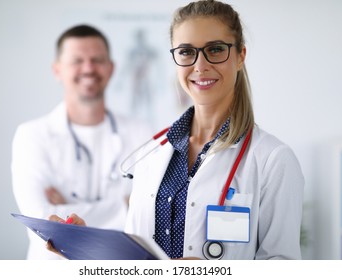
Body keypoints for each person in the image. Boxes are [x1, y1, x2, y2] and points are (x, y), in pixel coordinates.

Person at [49, 0, 304, 260]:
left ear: (240, 56)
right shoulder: (151, 155)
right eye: (186, 52)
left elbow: (283, 265)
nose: (200, 65)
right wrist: (88, 247)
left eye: (215, 49)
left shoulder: (273, 159)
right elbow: (135, 258)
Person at [11, 24, 152, 259]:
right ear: (57, 70)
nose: (88, 68)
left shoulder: (143, 134)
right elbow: (41, 219)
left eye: (97, 60)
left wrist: (65, 210)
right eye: (77, 60)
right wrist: (125, 206)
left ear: (111, 68)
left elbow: (148, 217)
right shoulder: (31, 135)